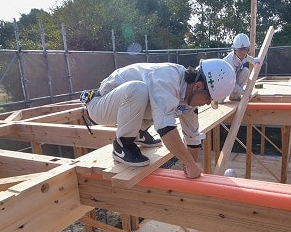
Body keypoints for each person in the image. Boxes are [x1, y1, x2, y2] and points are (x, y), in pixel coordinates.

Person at [84, 59, 236, 177]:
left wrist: (191, 164)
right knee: (140, 90)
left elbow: (193, 138)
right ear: (198, 86)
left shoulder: (189, 99)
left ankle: (139, 133)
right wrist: (190, 164)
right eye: (208, 98)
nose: (207, 103)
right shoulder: (168, 78)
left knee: (160, 106)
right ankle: (122, 145)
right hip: (99, 107)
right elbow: (166, 128)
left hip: (124, 105)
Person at [223, 33, 262, 101]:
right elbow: (231, 84)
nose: (243, 53)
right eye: (240, 50)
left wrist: (254, 61)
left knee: (246, 71)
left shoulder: (244, 56)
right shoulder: (229, 63)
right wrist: (244, 92)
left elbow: (248, 58)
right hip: (222, 82)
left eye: (245, 50)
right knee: (220, 100)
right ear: (235, 50)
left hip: (231, 79)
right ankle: (218, 98)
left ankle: (234, 97)